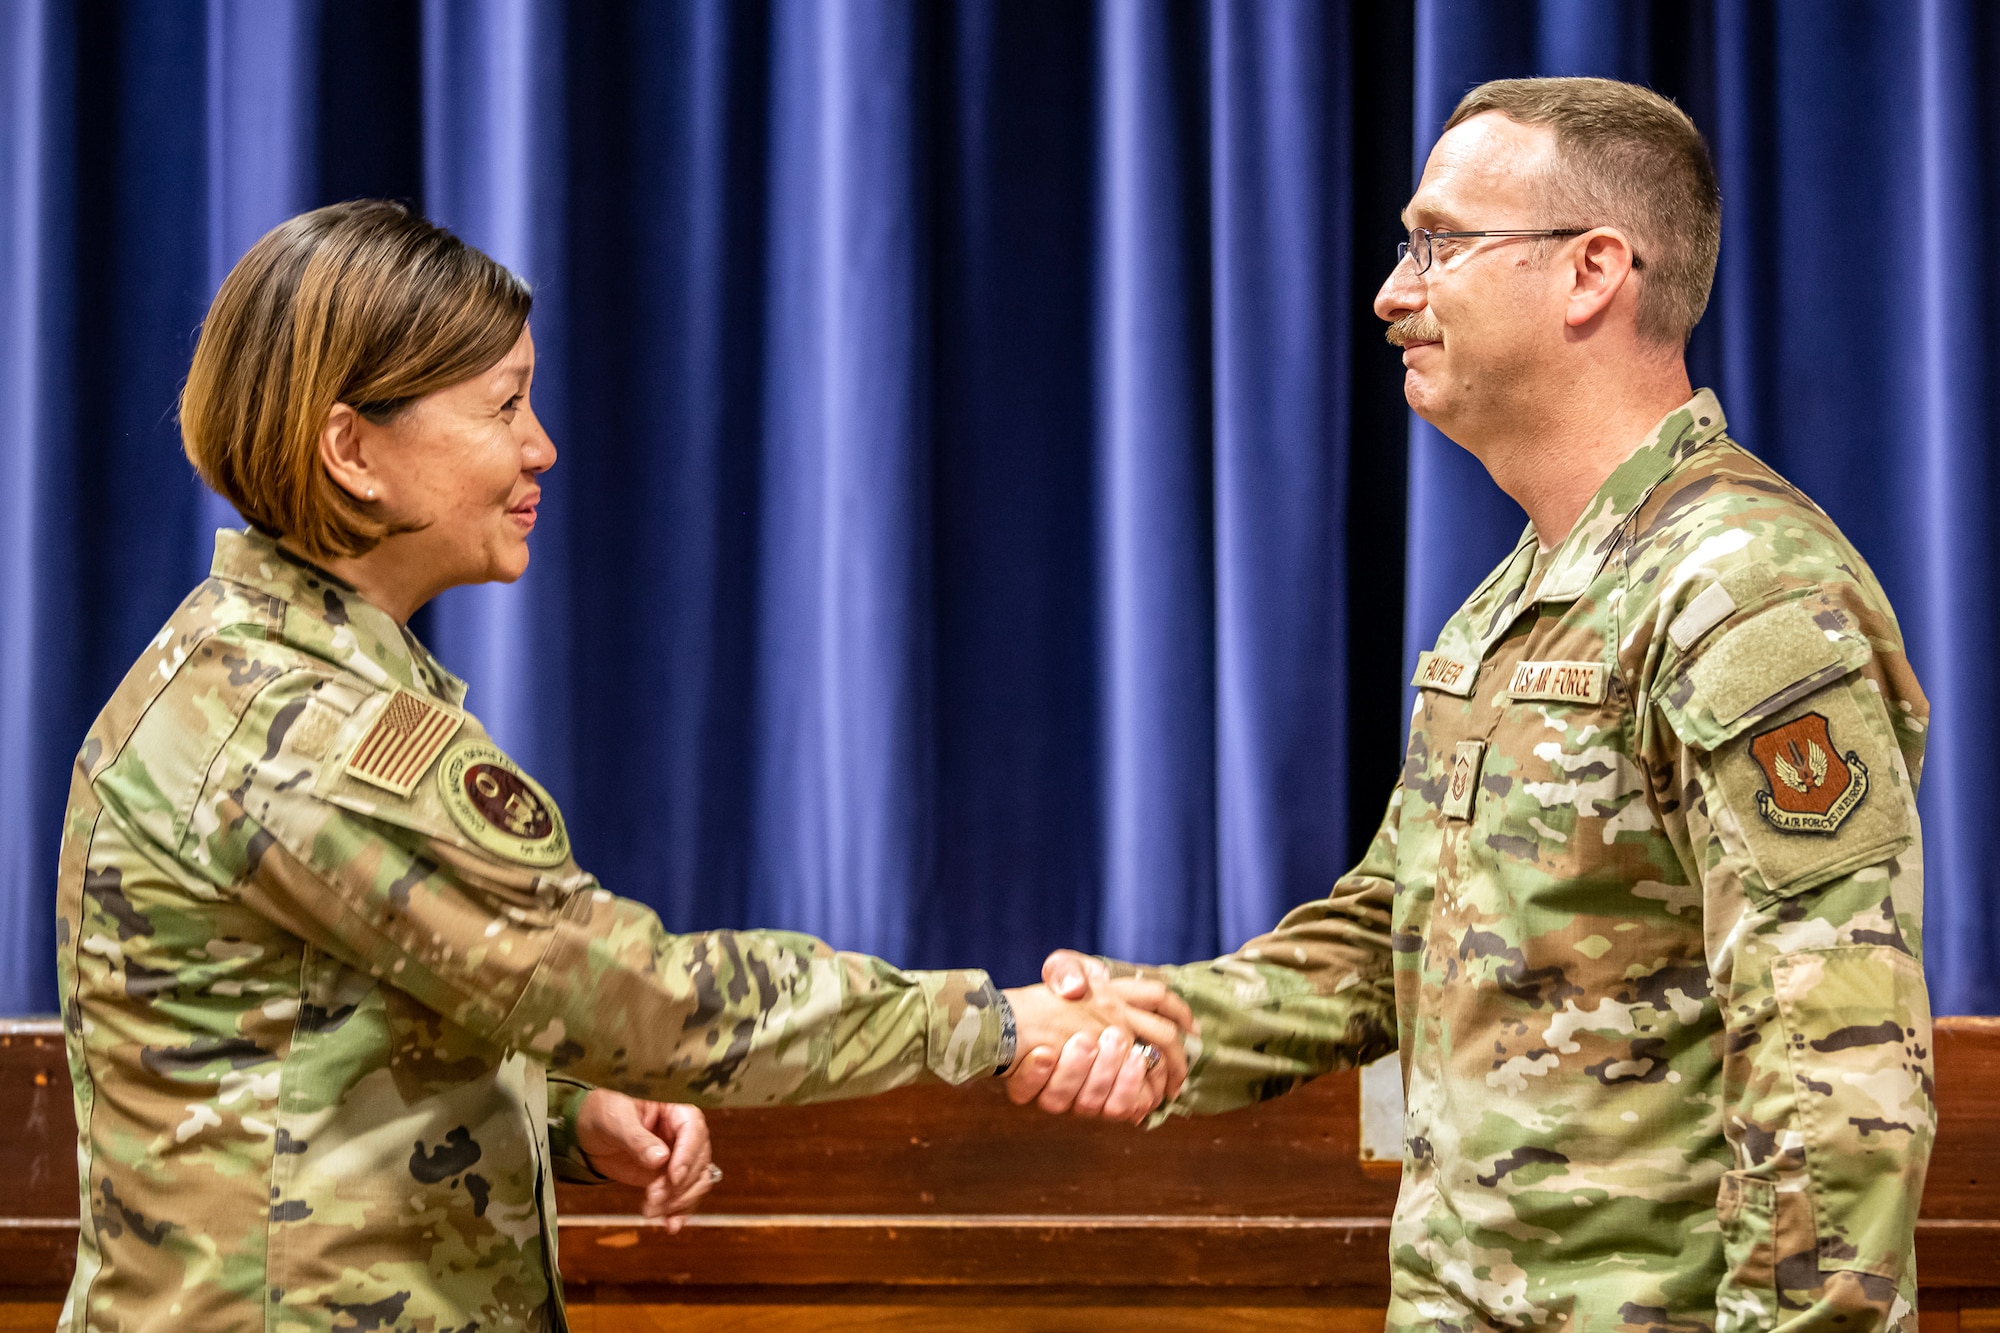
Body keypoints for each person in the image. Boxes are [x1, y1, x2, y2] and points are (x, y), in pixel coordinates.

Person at [55, 200, 1192, 1333]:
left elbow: (294, 1042)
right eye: (503, 405)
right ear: (353, 450)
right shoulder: (318, 737)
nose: (540, 444)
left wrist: (559, 1113)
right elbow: (644, 1001)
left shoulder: (236, 669)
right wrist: (992, 1021)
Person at [1010, 77, 1934, 1333]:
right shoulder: (1519, 596)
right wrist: (1164, 1021)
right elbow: (1390, 935)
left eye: (1438, 243)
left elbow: (1835, 1076)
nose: (1393, 292)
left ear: (1590, 271)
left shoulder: (1744, 593)